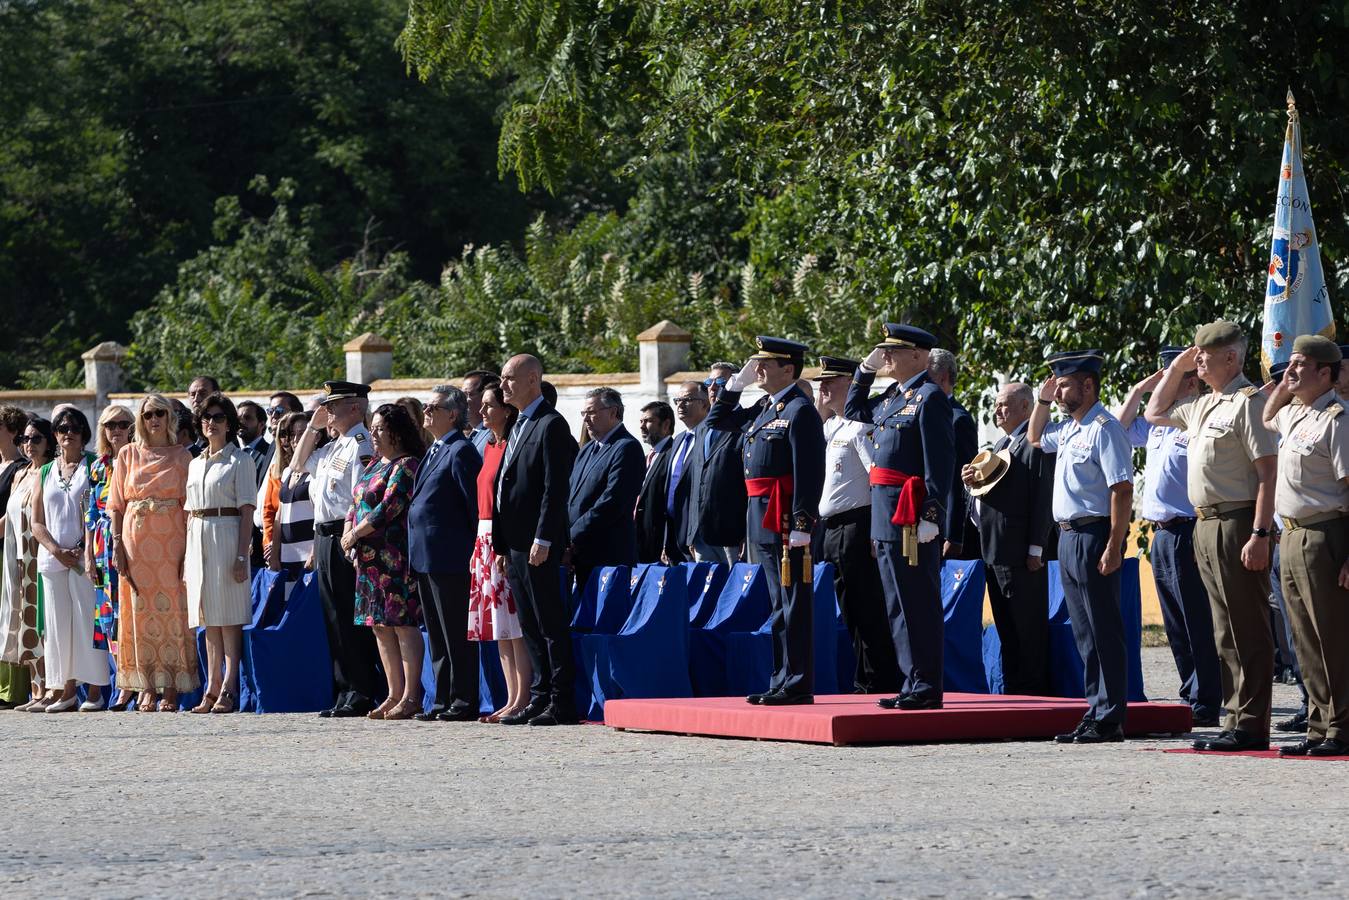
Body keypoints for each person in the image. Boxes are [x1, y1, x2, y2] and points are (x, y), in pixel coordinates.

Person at [1146, 321, 1280, 753]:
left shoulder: (1249, 402)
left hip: (1237, 523)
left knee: (1247, 626)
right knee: (1222, 629)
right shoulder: (1204, 405)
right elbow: (1153, 411)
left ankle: (1252, 722)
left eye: (1205, 353)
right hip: (1203, 524)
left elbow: (1267, 473)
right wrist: (1178, 367)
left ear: (1230, 357)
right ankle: (1234, 716)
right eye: (1196, 353)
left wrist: (1260, 532)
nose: (1197, 359)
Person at [708, 336, 825, 705]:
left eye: (765, 363)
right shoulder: (764, 406)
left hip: (786, 517)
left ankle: (797, 681)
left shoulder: (799, 410)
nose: (757, 368)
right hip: (760, 515)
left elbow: (809, 473)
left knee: (793, 602)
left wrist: (803, 525)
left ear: (788, 369)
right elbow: (718, 420)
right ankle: (780, 677)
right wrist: (735, 385)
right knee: (777, 602)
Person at [847, 324, 954, 711]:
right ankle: (912, 681)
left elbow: (939, 466)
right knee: (896, 604)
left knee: (917, 603)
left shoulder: (930, 399)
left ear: (920, 356)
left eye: (895, 350)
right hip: (887, 516)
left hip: (912, 518)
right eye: (885, 351)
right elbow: (854, 410)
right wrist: (864, 371)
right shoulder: (894, 397)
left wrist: (930, 515)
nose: (887, 356)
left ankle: (926, 685)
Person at [1028, 350, 1134, 743]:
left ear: (1088, 385)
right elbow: (1035, 437)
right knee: (1085, 633)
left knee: (1104, 628)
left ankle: (1111, 717)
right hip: (1067, 537)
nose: (1057, 392)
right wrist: (1041, 399)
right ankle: (1096, 709)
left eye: (1065, 384)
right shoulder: (1070, 427)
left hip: (1094, 535)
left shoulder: (1103, 428)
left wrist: (1114, 544)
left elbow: (1121, 490)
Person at [1114, 348, 1221, 726]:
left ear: (1190, 381)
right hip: (1160, 532)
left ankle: (1207, 696)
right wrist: (1142, 388)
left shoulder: (1197, 419)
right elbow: (1121, 429)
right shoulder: (1159, 422)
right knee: (1175, 621)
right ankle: (1190, 690)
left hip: (1189, 528)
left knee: (1196, 618)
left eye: (1172, 376)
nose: (1165, 383)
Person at [1260, 336, 1349, 756]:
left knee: (1332, 636)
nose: (1290, 371)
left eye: (1300, 365)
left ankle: (1342, 727)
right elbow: (1265, 415)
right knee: (1303, 638)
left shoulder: (1337, 419)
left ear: (1326, 373)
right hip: (1291, 535)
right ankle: (1318, 725)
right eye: (1289, 364)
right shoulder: (1295, 413)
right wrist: (1287, 383)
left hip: (1325, 534)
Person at [493, 354, 579, 726]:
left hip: (537, 543)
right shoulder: (518, 424)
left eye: (509, 378)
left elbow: (553, 489)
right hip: (514, 543)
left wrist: (545, 537)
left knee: (550, 624)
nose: (503, 386)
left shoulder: (550, 425)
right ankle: (539, 695)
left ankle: (561, 701)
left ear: (532, 379)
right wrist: (500, 546)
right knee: (529, 623)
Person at [291, 381, 382, 718]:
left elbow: (361, 496)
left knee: (349, 616)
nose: (327, 411)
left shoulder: (360, 444)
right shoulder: (333, 446)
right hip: (323, 535)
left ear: (355, 408)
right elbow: (298, 464)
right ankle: (345, 689)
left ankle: (360, 690)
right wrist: (313, 428)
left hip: (345, 535)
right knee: (333, 617)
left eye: (334, 405)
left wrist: (353, 539)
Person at [814, 355, 900, 694]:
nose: (823, 387)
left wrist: (877, 530)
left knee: (867, 608)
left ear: (849, 385)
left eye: (830, 381)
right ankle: (864, 679)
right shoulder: (832, 425)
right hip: (832, 527)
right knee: (849, 608)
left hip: (858, 524)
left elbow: (877, 479)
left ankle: (878, 680)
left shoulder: (859, 427)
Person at [962, 383, 1055, 697]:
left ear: (1026, 408)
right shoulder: (1001, 443)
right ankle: (1016, 690)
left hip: (1019, 551)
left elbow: (1042, 498)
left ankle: (1033, 691)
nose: (997, 411)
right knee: (1006, 626)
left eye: (1004, 405)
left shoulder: (1034, 444)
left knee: (1026, 627)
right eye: (997, 405)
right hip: (993, 547)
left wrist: (1036, 547)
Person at [108, 394, 200, 711]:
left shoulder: (182, 457)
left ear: (170, 418)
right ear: (141, 420)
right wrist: (117, 543)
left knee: (172, 609)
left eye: (160, 413)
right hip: (135, 540)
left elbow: (189, 508)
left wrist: (189, 552)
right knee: (138, 610)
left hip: (171, 540)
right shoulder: (127, 455)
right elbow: (116, 505)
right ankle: (146, 684)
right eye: (147, 414)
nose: (154, 419)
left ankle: (172, 685)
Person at [343, 403, 425, 721]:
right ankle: (392, 693)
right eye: (372, 428)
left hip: (394, 556)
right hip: (367, 559)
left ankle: (411, 695)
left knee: (401, 624)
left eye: (379, 429)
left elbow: (388, 507)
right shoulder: (375, 464)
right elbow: (357, 501)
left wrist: (355, 534)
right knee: (379, 625)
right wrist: (348, 530)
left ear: (397, 430)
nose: (374, 434)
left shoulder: (406, 465)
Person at [409, 385, 482, 722]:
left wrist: (473, 551)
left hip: (451, 557)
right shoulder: (435, 449)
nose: (426, 411)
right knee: (437, 634)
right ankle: (441, 699)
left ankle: (463, 699)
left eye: (432, 406)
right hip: (426, 556)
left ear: (452, 414)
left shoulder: (461, 451)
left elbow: (472, 507)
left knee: (455, 633)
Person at [31, 406, 109, 712]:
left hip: (84, 556)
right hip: (52, 559)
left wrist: (79, 546)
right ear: (55, 435)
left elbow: (98, 511)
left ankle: (94, 691)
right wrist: (54, 548)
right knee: (57, 625)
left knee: (87, 622)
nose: (68, 434)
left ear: (84, 434)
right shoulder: (45, 471)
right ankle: (65, 689)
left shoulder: (94, 464)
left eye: (74, 428)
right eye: (62, 429)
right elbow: (37, 521)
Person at [184, 394, 256, 713]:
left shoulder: (239, 461)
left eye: (218, 417)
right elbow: (189, 512)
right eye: (206, 417)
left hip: (225, 534)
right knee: (207, 618)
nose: (211, 423)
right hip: (198, 535)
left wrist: (242, 556)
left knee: (229, 618)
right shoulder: (195, 463)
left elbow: (246, 511)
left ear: (229, 423)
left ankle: (229, 686)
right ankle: (211, 686)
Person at [468, 384, 531, 722]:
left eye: (489, 405)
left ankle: (523, 696)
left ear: (506, 410)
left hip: (502, 538)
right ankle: (510, 697)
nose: (482, 411)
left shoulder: (510, 446)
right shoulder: (489, 446)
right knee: (498, 627)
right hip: (483, 537)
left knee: (514, 624)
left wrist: (503, 543)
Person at [567, 388, 644, 592]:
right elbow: (571, 497)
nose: (586, 420)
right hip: (580, 553)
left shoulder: (626, 447)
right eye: (584, 414)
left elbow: (613, 501)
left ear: (613, 412)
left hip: (608, 552)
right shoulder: (587, 450)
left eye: (592, 412)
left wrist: (573, 535)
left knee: (606, 619)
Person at [85, 404, 135, 710]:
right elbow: (91, 515)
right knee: (107, 619)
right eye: (109, 425)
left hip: (131, 541)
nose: (115, 430)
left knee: (128, 614)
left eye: (122, 423)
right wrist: (90, 556)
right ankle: (121, 682)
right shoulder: (98, 466)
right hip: (102, 547)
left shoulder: (136, 461)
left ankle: (132, 683)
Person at [2, 417, 50, 709]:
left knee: (40, 621)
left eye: (36, 439)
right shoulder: (21, 474)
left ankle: (46, 688)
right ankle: (36, 689)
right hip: (18, 555)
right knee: (24, 622)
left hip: (37, 553)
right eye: (25, 440)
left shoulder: (46, 472)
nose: (29, 445)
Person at [682, 367, 748, 565]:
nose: (712, 388)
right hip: (702, 535)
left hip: (732, 534)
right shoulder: (702, 428)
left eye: (720, 383)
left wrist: (745, 532)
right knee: (707, 593)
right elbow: (697, 482)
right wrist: (692, 532)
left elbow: (746, 482)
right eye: (708, 383)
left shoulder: (746, 423)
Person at [929, 348, 980, 559]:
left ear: (943, 378)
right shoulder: (928, 413)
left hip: (944, 530)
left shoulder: (957, 420)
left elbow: (961, 483)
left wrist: (954, 535)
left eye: (927, 376)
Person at [0, 406, 32, 708]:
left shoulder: (19, 467)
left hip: (7, 548)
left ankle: (12, 688)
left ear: (11, 430)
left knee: (11, 614)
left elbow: (10, 513)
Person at [273, 412, 324, 588]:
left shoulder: (318, 469)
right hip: (288, 553)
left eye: (302, 434)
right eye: (292, 434)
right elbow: (280, 515)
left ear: (316, 437)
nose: (296, 439)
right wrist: (275, 552)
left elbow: (320, 513)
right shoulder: (287, 472)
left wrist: (313, 552)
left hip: (308, 552)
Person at [662, 381, 709, 566]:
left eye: (688, 400)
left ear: (705, 404)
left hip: (696, 532)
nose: (680, 405)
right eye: (677, 400)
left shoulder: (708, 437)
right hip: (674, 529)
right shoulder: (679, 439)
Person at [635, 400, 675, 564]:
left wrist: (667, 541)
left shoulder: (673, 455)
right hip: (639, 541)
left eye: (649, 421)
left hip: (660, 544)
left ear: (665, 425)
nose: (642, 426)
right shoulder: (646, 458)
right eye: (641, 421)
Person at [462, 370, 500, 454]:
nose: (462, 400)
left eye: (468, 394)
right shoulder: (470, 434)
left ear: (486, 396)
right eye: (462, 395)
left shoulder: (495, 434)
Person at [185, 375, 220, 456]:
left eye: (203, 393)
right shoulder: (184, 428)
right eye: (193, 394)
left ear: (216, 395)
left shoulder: (224, 426)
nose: (196, 399)